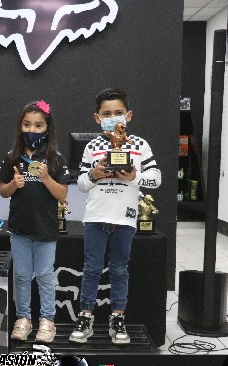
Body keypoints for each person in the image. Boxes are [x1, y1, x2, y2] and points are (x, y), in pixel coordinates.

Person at [70, 88, 161, 344]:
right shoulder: (92, 147)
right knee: (91, 269)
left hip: (125, 218)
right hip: (95, 217)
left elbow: (156, 179)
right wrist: (94, 175)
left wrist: (134, 177)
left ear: (128, 115)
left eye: (118, 112)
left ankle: (117, 318)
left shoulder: (140, 145)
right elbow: (81, 184)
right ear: (97, 118)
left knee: (120, 270)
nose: (113, 118)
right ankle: (85, 316)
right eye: (107, 114)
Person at [0, 100, 70, 343]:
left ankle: (47, 320)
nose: (32, 130)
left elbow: (62, 194)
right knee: (21, 275)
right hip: (19, 229)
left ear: (47, 128)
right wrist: (13, 184)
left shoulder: (55, 158)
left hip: (45, 229)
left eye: (38, 125)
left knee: (45, 276)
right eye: (27, 124)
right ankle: (23, 318)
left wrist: (46, 178)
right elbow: (3, 191)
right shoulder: (12, 157)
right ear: (20, 127)